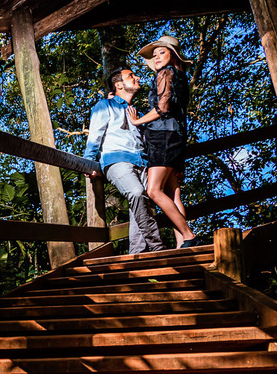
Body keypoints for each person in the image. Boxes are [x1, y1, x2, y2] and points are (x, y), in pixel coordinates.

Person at [84, 65, 164, 255]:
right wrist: (88, 162)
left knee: (143, 203)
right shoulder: (105, 105)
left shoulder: (136, 112)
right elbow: (94, 135)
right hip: (116, 160)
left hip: (142, 164)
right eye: (131, 76)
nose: (136, 77)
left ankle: (136, 254)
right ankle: (157, 247)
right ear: (119, 85)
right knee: (136, 193)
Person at [129, 35, 199, 248]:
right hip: (176, 136)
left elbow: (163, 107)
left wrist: (137, 120)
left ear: (173, 55)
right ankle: (181, 246)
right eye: (155, 54)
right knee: (172, 192)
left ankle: (188, 235)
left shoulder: (166, 73)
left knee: (153, 190)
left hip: (163, 137)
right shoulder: (180, 76)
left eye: (162, 52)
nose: (157, 57)